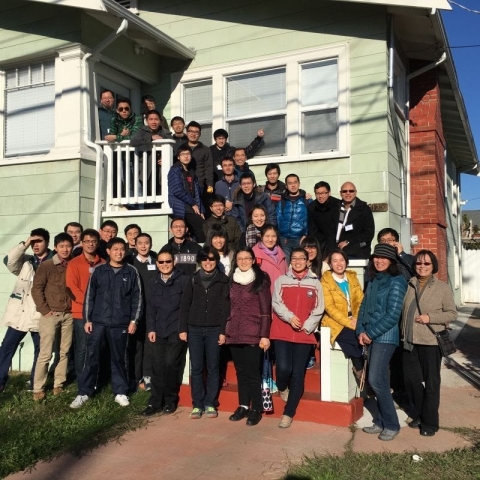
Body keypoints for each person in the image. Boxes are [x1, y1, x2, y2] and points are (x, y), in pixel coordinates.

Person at [70, 237, 142, 409]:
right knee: (91, 356)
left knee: (119, 358)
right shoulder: (99, 270)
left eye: (122, 249)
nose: (119, 252)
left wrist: (134, 320)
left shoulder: (131, 272)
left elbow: (137, 298)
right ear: (108, 251)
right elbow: (90, 296)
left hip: (121, 323)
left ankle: (120, 392)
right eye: (115, 249)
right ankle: (84, 392)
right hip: (98, 322)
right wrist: (87, 319)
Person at [401, 250, 457, 437]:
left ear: (433, 266)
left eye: (426, 263)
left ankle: (430, 422)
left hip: (430, 342)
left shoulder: (442, 288)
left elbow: (452, 313)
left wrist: (430, 317)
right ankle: (420, 413)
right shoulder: (410, 284)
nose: (422, 266)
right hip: (409, 341)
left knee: (431, 383)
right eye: (419, 263)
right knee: (411, 381)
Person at [357, 243, 407, 441]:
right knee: (381, 381)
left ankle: (392, 424)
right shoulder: (373, 280)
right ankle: (381, 421)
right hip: (370, 335)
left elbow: (393, 315)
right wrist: (360, 330)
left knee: (375, 380)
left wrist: (370, 333)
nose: (379, 261)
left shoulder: (397, 281)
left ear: (392, 261)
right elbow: (363, 307)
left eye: (384, 257)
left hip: (385, 337)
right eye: (376, 257)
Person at [271, 247, 324, 429]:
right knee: (283, 368)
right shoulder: (282, 280)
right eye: (294, 258)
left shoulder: (315, 283)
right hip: (283, 331)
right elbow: (276, 302)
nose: (298, 261)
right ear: (290, 260)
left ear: (308, 261)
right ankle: (282, 386)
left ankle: (288, 413)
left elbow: (319, 308)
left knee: (298, 373)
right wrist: (290, 317)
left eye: (301, 258)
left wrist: (308, 325)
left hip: (304, 333)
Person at [178, 247, 230, 419]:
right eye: (205, 259)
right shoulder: (193, 279)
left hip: (215, 329)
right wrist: (183, 328)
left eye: (212, 259)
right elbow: (185, 304)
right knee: (197, 367)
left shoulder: (223, 280)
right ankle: (197, 404)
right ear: (200, 261)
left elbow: (225, 308)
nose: (208, 262)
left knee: (213, 367)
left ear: (216, 261)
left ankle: (210, 403)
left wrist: (223, 331)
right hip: (194, 329)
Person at [0, 229, 53, 393]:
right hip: (21, 314)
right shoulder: (25, 261)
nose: (35, 245)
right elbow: (9, 260)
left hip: (41, 313)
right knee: (7, 346)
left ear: (47, 242)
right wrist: (25, 243)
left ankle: (34, 382)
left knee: (41, 350)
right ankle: (0, 379)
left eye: (39, 241)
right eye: (33, 242)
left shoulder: (54, 261)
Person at [226, 246, 271, 426]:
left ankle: (256, 408)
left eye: (247, 258)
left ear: (253, 260)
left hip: (253, 333)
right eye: (240, 259)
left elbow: (266, 310)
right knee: (241, 372)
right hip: (234, 333)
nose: (243, 261)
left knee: (253, 373)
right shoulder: (232, 280)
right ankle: (243, 405)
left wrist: (264, 335)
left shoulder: (260, 279)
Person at [141, 249, 189, 416]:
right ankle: (155, 402)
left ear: (174, 262)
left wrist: (183, 329)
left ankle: (170, 400)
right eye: (161, 262)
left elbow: (186, 307)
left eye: (168, 261)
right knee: (157, 365)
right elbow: (150, 308)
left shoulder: (183, 280)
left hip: (176, 330)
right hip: (158, 329)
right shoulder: (153, 282)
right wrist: (151, 329)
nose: (164, 264)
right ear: (157, 264)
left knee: (170, 363)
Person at [32, 232, 74, 400]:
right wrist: (45, 310)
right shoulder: (47, 265)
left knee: (64, 352)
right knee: (46, 353)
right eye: (61, 246)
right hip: (50, 314)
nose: (65, 249)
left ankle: (58, 384)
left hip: (68, 314)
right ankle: (38, 388)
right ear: (55, 248)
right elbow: (36, 289)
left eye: (68, 246)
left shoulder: (73, 264)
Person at [65, 229, 105, 381]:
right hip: (80, 312)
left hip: (99, 313)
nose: (90, 244)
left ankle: (95, 377)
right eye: (87, 241)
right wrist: (90, 303)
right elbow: (72, 287)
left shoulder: (103, 263)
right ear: (82, 243)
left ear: (98, 243)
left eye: (93, 241)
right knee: (82, 347)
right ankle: (81, 378)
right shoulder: (74, 263)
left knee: (97, 346)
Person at [321, 249, 364, 378]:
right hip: (335, 322)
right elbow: (330, 307)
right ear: (330, 264)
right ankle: (360, 369)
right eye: (335, 261)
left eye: (342, 260)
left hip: (355, 319)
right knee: (354, 337)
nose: (339, 264)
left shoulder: (352, 278)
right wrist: (349, 322)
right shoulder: (325, 281)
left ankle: (365, 370)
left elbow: (361, 300)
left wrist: (356, 318)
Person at [126, 233, 158, 392]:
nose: (143, 246)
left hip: (152, 311)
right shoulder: (130, 263)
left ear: (151, 245)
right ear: (135, 245)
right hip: (135, 312)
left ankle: (148, 376)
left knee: (150, 346)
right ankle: (135, 376)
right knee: (136, 346)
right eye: (140, 243)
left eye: (146, 243)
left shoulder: (156, 262)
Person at [300, 235, 329, 370]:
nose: (310, 251)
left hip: (320, 305)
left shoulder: (324, 266)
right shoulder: (296, 264)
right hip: (303, 305)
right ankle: (308, 353)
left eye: (312, 248)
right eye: (306, 248)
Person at [167, 145, 206, 242]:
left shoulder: (191, 172)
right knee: (200, 226)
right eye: (183, 154)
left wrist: (201, 210)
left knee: (200, 227)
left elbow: (196, 193)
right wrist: (193, 204)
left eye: (188, 154)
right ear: (178, 157)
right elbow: (177, 190)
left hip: (191, 204)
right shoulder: (175, 170)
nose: (186, 156)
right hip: (181, 204)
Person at [335, 182, 375, 259]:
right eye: (344, 191)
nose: (348, 193)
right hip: (336, 252)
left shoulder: (364, 209)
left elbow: (368, 233)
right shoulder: (335, 207)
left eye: (351, 191)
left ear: (355, 192)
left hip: (356, 253)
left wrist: (348, 241)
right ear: (340, 193)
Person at [276, 174, 311, 261]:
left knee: (300, 264)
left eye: (295, 182)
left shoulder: (307, 200)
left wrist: (306, 235)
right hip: (285, 241)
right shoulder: (282, 201)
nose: (293, 185)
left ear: (299, 183)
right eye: (290, 183)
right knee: (285, 265)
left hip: (300, 240)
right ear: (286, 186)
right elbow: (278, 219)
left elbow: (311, 220)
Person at [307, 181, 341, 257]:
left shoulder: (337, 204)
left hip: (335, 241)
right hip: (320, 242)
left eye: (323, 193)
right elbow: (312, 229)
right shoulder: (312, 206)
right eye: (317, 193)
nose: (320, 196)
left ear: (329, 193)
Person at [252, 224, 288, 292]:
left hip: (281, 294)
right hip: (264, 295)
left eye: (274, 236)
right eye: (267, 236)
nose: (270, 239)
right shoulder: (254, 254)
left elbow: (287, 274)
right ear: (261, 237)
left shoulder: (281, 253)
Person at [183, 121, 214, 195]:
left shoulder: (205, 149)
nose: (193, 134)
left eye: (196, 132)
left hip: (199, 184)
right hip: (183, 183)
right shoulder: (182, 148)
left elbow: (208, 168)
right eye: (191, 131)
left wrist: (210, 184)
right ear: (187, 133)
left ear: (200, 134)